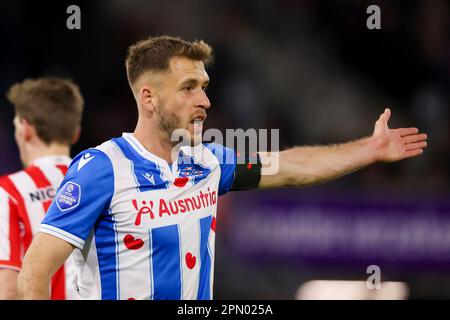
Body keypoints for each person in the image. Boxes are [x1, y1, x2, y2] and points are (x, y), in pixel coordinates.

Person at [17, 36, 427, 300]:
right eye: (188, 88)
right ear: (148, 98)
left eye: (205, 88)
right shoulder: (100, 168)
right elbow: (34, 274)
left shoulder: (208, 161)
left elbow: (292, 166)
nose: (205, 101)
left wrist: (368, 150)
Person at [0, 77, 84, 299]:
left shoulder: (9, 192)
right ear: (75, 132)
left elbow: (7, 290)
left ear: (25, 129)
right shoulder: (99, 183)